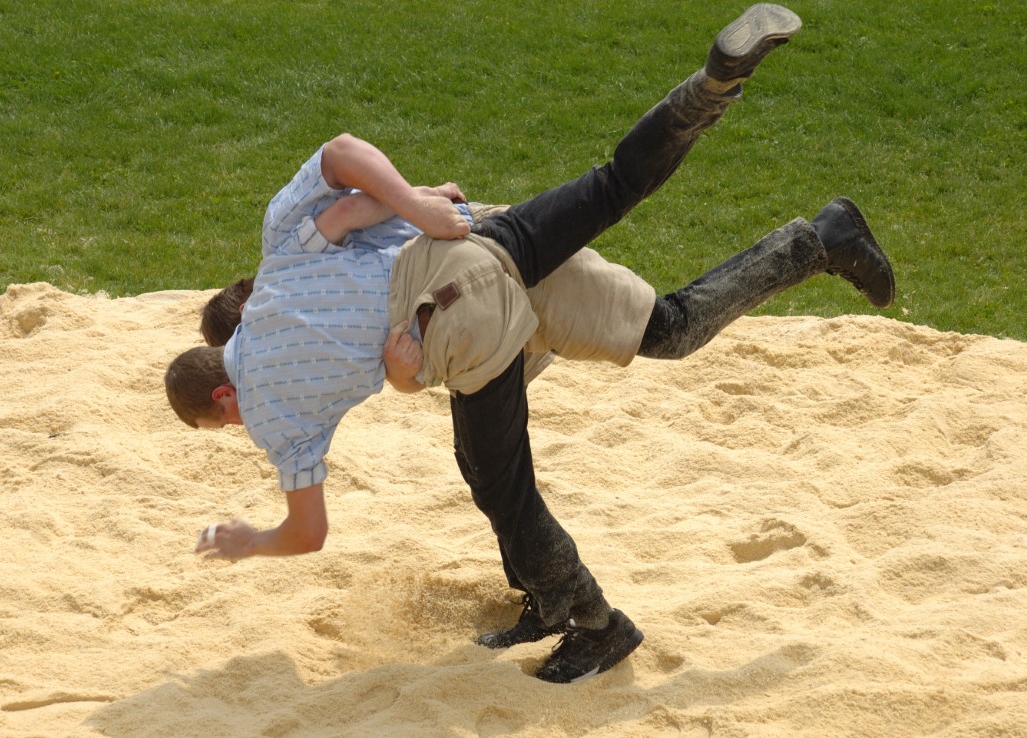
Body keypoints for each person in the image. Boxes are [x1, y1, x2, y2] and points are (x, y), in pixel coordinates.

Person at [165, 4, 895, 683]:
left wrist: (249, 539)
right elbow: (346, 167)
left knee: (501, 486)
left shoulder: (272, 414)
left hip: (464, 323)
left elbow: (309, 530)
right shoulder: (284, 257)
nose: (236, 426)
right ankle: (736, 123)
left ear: (225, 392)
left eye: (220, 423)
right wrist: (417, 201)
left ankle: (592, 624)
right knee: (624, 213)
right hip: (483, 240)